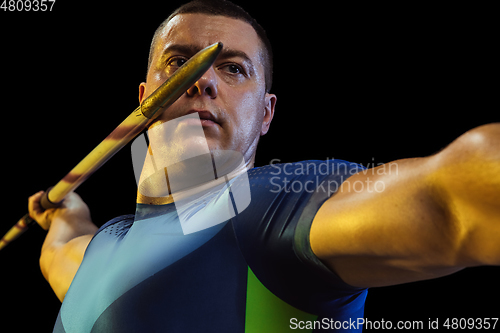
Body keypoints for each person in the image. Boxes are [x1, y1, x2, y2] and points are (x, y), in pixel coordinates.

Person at [28, 0, 499, 332]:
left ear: (267, 112)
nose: (203, 80)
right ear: (144, 99)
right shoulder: (97, 251)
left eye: (234, 68)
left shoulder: (276, 208)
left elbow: (448, 198)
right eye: (178, 62)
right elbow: (63, 241)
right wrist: (62, 210)